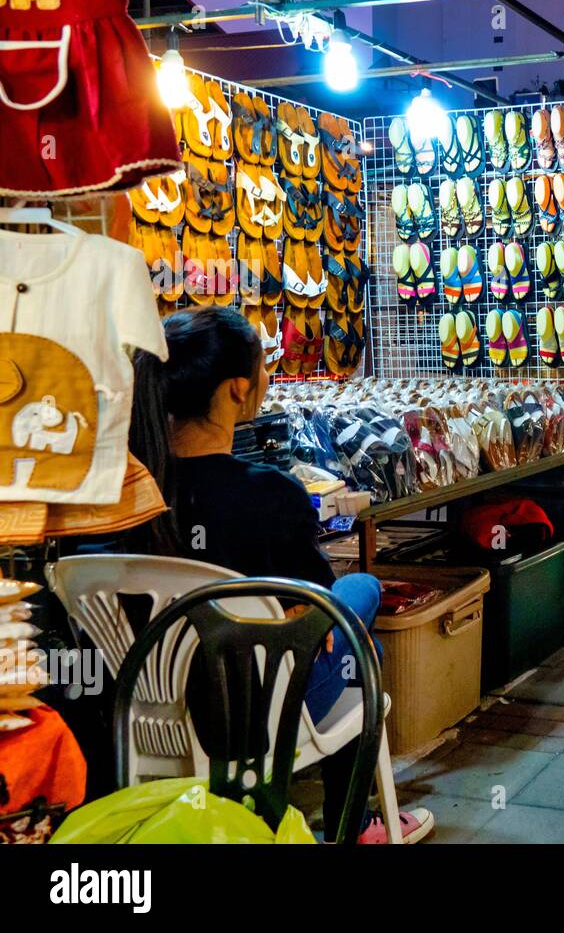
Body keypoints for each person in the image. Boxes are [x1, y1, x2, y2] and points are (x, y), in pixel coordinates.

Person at [131, 306, 432, 844]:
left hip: (149, 710)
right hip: (259, 711)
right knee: (359, 603)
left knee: (351, 624)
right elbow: (317, 611)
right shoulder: (272, 493)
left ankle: (358, 824)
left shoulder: (128, 495)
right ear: (236, 388)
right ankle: (354, 826)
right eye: (265, 366)